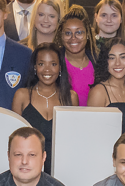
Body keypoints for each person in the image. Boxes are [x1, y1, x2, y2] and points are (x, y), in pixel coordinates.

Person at [11, 42, 77, 174]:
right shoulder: (22, 96)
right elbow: (15, 140)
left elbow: (74, 140)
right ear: (35, 67)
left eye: (53, 64)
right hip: (28, 169)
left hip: (63, 169)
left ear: (60, 67)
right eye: (41, 64)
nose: (47, 70)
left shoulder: (71, 97)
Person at [87, 37, 125, 133]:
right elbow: (92, 132)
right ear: (105, 62)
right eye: (112, 58)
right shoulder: (99, 92)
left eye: (123, 57)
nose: (117, 63)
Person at [56, 5, 96, 106]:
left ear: (87, 34)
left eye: (79, 32)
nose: (73, 38)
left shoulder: (97, 60)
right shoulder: (55, 61)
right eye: (68, 33)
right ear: (61, 36)